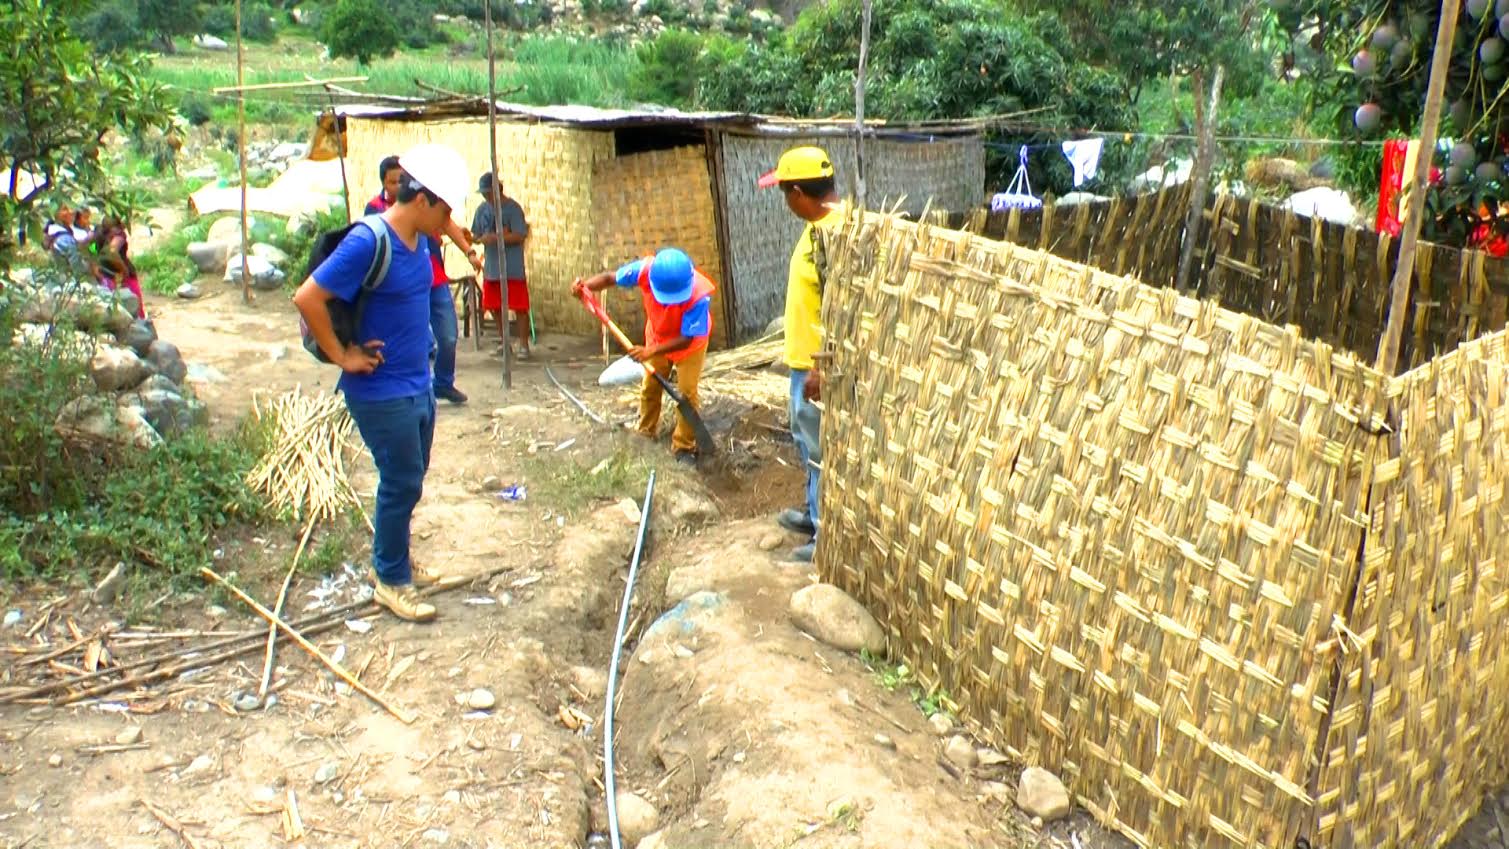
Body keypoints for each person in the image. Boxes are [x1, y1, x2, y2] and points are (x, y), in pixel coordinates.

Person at [293, 143, 471, 623]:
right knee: (399, 482)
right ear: (422, 201)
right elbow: (307, 297)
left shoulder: (421, 240)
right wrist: (342, 355)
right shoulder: (370, 241)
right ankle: (390, 580)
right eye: (446, 210)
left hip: (417, 383)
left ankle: (398, 560)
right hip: (381, 391)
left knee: (410, 481)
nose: (449, 220)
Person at [759, 146, 842, 562]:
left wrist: (820, 365)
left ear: (797, 192)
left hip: (815, 368)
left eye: (783, 193)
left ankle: (825, 535)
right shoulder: (819, 226)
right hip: (802, 362)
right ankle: (814, 514)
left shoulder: (836, 233)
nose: (785, 203)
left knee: (822, 449)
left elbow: (843, 307)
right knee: (808, 443)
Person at [572, 248, 714, 465]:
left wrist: (650, 352)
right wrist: (586, 288)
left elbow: (687, 338)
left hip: (690, 346)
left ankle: (683, 447)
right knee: (651, 386)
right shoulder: (644, 271)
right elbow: (610, 277)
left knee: (687, 394)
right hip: (657, 336)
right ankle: (646, 433)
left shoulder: (699, 296)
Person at [368, 155, 481, 405]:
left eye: (402, 180)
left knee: (448, 337)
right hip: (402, 283)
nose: (398, 186)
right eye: (393, 182)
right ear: (384, 184)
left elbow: (447, 223)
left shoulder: (427, 207)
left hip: (434, 278)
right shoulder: (374, 214)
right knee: (412, 339)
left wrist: (470, 253)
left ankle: (442, 383)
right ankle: (409, 390)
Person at [471, 173, 531, 359]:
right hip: (492, 267)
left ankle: (523, 344)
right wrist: (470, 237)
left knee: (519, 307)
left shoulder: (513, 209)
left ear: (498, 190)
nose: (486, 197)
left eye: (489, 193)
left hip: (512, 267)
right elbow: (476, 234)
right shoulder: (482, 210)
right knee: (494, 305)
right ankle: (505, 342)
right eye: (484, 194)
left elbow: (520, 235)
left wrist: (497, 238)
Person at [95, 215, 146, 319]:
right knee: (135, 311)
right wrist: (124, 269)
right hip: (122, 278)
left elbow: (82, 245)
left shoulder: (98, 232)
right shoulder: (119, 234)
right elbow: (112, 251)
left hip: (106, 276)